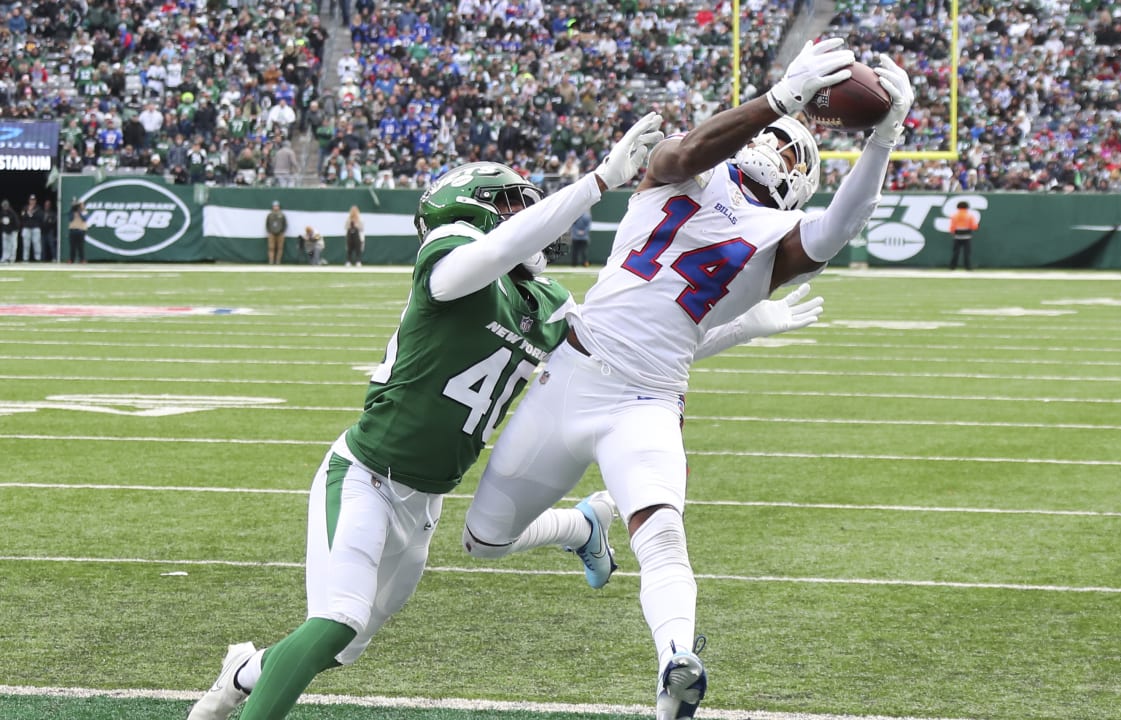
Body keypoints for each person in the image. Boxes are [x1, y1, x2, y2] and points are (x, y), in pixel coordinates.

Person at [185, 117, 819, 720]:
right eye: (514, 204)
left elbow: (639, 344)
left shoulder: (544, 302)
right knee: (336, 624)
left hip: (425, 503)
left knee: (340, 647)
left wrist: (742, 328)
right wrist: (597, 181)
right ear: (480, 207)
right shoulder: (451, 259)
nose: (529, 218)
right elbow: (495, 251)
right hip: (365, 476)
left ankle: (243, 672)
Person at [461, 39, 911, 720]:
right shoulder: (685, 174)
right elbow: (684, 151)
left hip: (647, 401)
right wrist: (779, 101)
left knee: (661, 530)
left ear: (802, 182)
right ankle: (581, 530)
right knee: (483, 540)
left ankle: (675, 663)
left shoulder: (781, 237)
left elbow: (841, 227)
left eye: (794, 151)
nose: (776, 149)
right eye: (773, 136)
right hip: (573, 373)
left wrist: (884, 138)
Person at [948, 200, 978, 271]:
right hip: (967, 236)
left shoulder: (954, 216)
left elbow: (952, 227)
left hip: (957, 236)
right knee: (966, 253)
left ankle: (952, 267)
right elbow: (974, 227)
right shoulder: (969, 216)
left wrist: (952, 232)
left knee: (956, 252)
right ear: (967, 207)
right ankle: (967, 267)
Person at [19, 194, 43, 262]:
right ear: (29, 201)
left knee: (36, 243)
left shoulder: (38, 208)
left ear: (35, 201)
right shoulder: (25, 208)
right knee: (26, 244)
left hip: (36, 228)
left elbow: (40, 217)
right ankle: (25, 258)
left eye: (33, 200)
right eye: (31, 200)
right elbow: (23, 216)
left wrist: (32, 214)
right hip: (26, 228)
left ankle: (38, 258)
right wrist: (29, 213)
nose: (32, 201)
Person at [67, 199, 88, 264]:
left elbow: (84, 219)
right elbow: (70, 219)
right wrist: (73, 209)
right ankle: (71, 259)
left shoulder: (84, 212)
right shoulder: (72, 212)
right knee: (72, 246)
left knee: (80, 246)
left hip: (81, 230)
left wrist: (79, 212)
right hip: (73, 230)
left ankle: (82, 259)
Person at [0, 199, 18, 263]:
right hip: (5, 230)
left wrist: (14, 231)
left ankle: (12, 258)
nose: (4, 207)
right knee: (5, 245)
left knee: (13, 245)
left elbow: (15, 223)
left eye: (5, 206)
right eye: (3, 206)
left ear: (8, 206)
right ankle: (5, 257)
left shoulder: (12, 213)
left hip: (13, 230)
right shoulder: (2, 212)